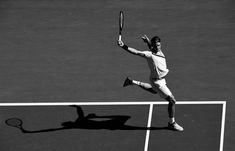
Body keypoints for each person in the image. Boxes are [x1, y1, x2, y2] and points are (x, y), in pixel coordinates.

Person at [117, 35, 184, 131]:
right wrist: (123, 46)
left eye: (159, 45)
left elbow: (152, 48)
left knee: (153, 91)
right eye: (156, 46)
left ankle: (132, 82)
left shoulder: (159, 51)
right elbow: (136, 52)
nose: (158, 47)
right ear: (153, 45)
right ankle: (172, 123)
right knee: (172, 100)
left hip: (158, 79)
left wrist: (148, 42)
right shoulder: (149, 54)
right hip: (157, 81)